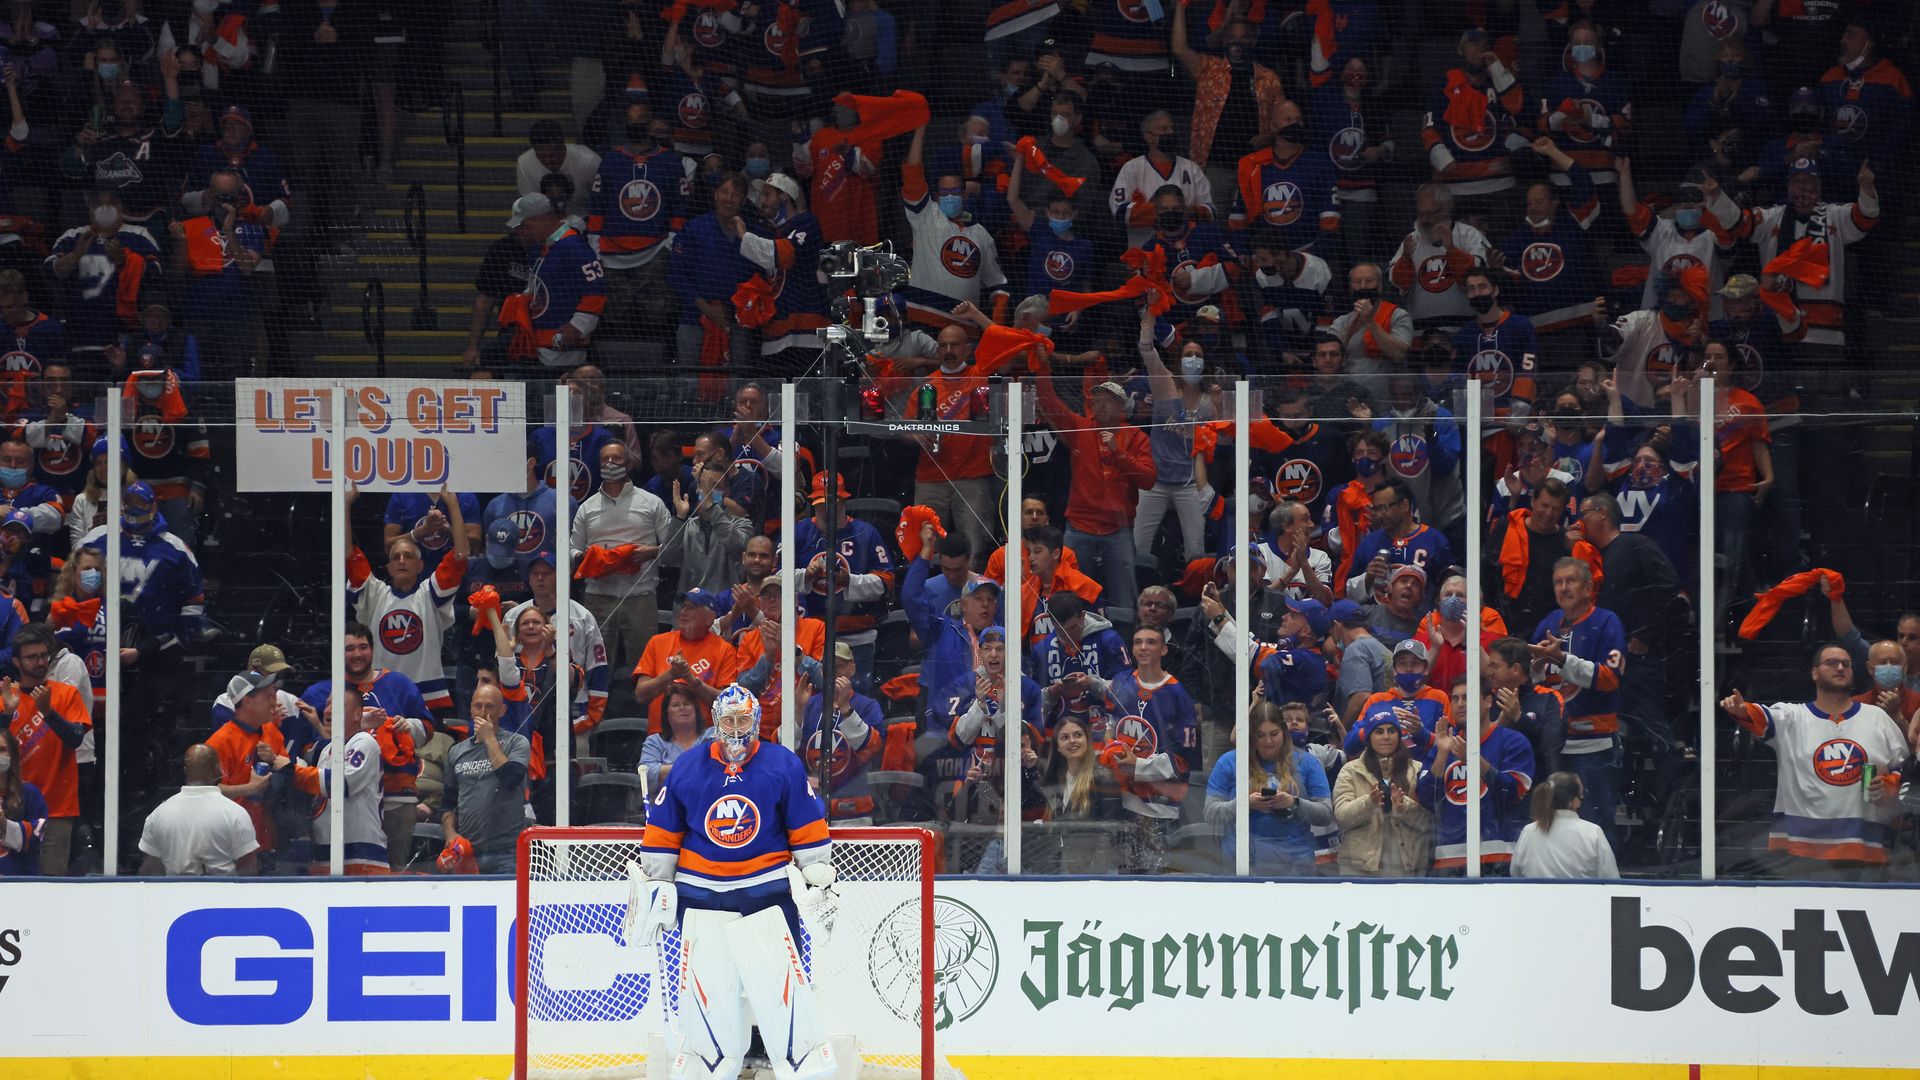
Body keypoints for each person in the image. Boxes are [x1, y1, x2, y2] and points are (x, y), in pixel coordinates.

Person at [626, 685, 840, 1080]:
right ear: (715, 722)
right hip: (701, 895)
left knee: (781, 990)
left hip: (767, 893)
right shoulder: (687, 768)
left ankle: (802, 1066)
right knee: (709, 996)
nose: (737, 729)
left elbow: (807, 826)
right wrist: (658, 883)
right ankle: (709, 1066)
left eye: (744, 720)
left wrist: (816, 878)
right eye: (729, 720)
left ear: (757, 721)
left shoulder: (782, 764)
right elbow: (662, 834)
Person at [1721, 644, 1911, 879]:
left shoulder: (1877, 718)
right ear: (1814, 672)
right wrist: (1741, 710)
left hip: (1865, 847)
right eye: (1832, 662)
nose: (1840, 667)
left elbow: (1904, 768)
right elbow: (1763, 717)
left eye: (1846, 664)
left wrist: (1890, 785)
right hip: (1800, 851)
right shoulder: (1793, 717)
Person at [345, 485, 467, 717]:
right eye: (395, 557)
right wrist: (345, 505)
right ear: (389, 566)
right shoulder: (375, 594)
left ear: (420, 566)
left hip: (429, 699)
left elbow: (460, 557)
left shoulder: (430, 594)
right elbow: (350, 556)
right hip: (382, 697)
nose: (401, 561)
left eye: (408, 556)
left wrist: (452, 504)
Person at [1032, 376, 1153, 609]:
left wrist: (1119, 454)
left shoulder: (1136, 437)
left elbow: (1148, 480)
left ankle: (1126, 642)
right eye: (1097, 400)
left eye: (1108, 401)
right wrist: (1042, 368)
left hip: (1117, 530)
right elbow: (1049, 403)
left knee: (1124, 599)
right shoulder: (1080, 427)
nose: (1100, 405)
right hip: (1079, 527)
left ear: (1121, 406)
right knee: (1070, 597)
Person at [1529, 557, 1626, 848]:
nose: (1563, 587)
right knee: (1548, 822)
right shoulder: (1548, 623)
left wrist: (1562, 659)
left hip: (1593, 743)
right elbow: (1533, 680)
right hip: (1553, 742)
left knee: (1595, 821)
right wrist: (1536, 664)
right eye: (1558, 582)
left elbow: (1611, 677)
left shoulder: (1607, 621)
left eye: (1570, 580)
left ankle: (1602, 884)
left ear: (1588, 587)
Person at [572, 439, 671, 682]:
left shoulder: (651, 502)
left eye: (616, 459)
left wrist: (652, 552)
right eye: (604, 459)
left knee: (646, 667)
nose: (609, 464)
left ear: (628, 463)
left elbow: (674, 545)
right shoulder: (587, 508)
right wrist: (588, 559)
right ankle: (593, 718)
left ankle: (649, 719)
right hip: (598, 599)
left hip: (641, 598)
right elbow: (572, 548)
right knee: (595, 668)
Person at [1420, 680, 1537, 874]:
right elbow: (1425, 799)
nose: (1460, 704)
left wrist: (1473, 760)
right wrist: (1441, 754)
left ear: (1488, 701)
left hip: (1499, 858)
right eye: (1455, 698)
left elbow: (1512, 794)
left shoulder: (1512, 741)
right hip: (1447, 861)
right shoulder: (1444, 744)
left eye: (1467, 697)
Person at [1205, 701, 1332, 874]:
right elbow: (1210, 814)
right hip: (1242, 862)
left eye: (1274, 734)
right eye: (1260, 735)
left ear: (1284, 732)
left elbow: (1325, 814)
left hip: (1295, 864)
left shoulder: (1308, 763)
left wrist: (1293, 803)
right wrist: (1244, 804)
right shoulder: (1229, 762)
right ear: (1251, 735)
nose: (1268, 741)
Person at [5, 622, 91, 876]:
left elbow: (76, 738)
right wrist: (6, 716)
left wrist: (49, 712)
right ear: (17, 662)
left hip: (57, 807)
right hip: (11, 805)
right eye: (32, 657)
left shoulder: (65, 694)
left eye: (44, 655)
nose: (40, 662)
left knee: (51, 881)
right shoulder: (5, 696)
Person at [1133, 303, 1212, 564]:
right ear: (1179, 360)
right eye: (1188, 354)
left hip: (1189, 484)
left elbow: (1223, 440)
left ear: (1204, 363)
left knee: (1196, 552)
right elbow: (1146, 349)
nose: (1193, 359)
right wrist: (1149, 318)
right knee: (1138, 548)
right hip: (1153, 481)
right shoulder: (1164, 383)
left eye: (1198, 355)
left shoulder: (1210, 401)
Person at [496, 193, 607, 372]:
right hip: (535, 342)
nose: (522, 232)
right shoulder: (541, 247)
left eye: (525, 226)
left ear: (541, 218)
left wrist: (578, 326)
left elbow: (597, 290)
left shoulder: (573, 246)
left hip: (560, 346)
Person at [901, 124, 1007, 307]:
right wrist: (919, 129)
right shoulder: (926, 215)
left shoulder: (981, 234)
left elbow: (997, 283)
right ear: (936, 196)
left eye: (955, 190)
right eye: (944, 191)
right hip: (925, 316)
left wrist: (997, 318)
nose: (950, 196)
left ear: (964, 194)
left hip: (964, 323)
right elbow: (912, 174)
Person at [441, 679, 531, 874]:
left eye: (490, 706)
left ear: (502, 711)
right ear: (471, 709)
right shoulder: (456, 752)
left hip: (507, 852)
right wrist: (450, 832)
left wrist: (489, 739)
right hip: (468, 851)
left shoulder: (516, 742)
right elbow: (448, 802)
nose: (483, 712)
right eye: (478, 706)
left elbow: (511, 779)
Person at [1333, 713, 1431, 877]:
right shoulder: (1350, 771)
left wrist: (1403, 807)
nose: (1386, 737)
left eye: (1391, 731)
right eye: (1379, 731)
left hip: (1408, 868)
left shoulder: (1418, 770)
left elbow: (1429, 823)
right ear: (1369, 736)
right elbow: (1342, 817)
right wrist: (1369, 803)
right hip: (1359, 870)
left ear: (1399, 736)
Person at [138, 743, 259, 875]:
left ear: (185, 771)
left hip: (174, 893)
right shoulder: (236, 813)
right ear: (218, 770)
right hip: (222, 893)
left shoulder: (159, 814)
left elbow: (150, 869)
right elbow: (248, 870)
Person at [632, 588, 740, 732]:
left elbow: (727, 704)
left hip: (704, 738)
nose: (683, 612)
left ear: (709, 617)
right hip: (660, 737)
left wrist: (691, 680)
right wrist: (671, 674)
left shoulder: (725, 650)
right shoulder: (657, 642)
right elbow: (641, 695)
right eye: (683, 606)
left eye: (692, 608)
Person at [799, 650, 884, 824]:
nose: (833, 672)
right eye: (828, 667)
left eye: (839, 666)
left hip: (854, 811)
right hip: (812, 809)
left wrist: (846, 708)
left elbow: (872, 750)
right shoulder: (809, 703)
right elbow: (787, 749)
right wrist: (797, 711)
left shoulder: (867, 706)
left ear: (852, 669)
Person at [1110, 110, 1213, 249]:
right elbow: (1119, 210)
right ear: (1149, 137)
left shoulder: (1191, 168)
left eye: (1172, 128)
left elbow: (1210, 210)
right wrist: (1166, 213)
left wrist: (1186, 211)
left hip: (1189, 250)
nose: (1170, 132)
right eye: (1164, 129)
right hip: (1144, 253)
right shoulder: (1132, 168)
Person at [1512, 771, 1617, 879]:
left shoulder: (1528, 831)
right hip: (1581, 895)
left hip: (1534, 895)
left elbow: (1515, 874)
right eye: (1582, 793)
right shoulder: (1592, 832)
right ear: (1575, 801)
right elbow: (1611, 879)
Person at [1039, 714, 1119, 822]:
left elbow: (1111, 831)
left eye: (1078, 735)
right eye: (1065, 737)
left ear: (1087, 740)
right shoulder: (1054, 781)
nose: (1072, 741)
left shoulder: (1104, 780)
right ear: (1058, 747)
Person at [641, 683, 710, 795]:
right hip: (668, 806)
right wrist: (696, 766)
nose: (682, 708)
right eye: (675, 705)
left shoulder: (712, 736)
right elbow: (646, 774)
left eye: (687, 703)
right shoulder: (655, 742)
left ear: (696, 711)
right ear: (666, 714)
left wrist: (668, 770)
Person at [0, 726, 46, 875]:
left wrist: (5, 825)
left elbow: (37, 837)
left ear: (12, 755)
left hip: (20, 884)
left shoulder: (30, 793)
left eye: (2, 750)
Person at [517, 119, 601, 198]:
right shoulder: (525, 163)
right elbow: (530, 204)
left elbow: (605, 198)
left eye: (552, 155)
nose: (547, 161)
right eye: (541, 156)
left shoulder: (589, 161)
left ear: (562, 146)